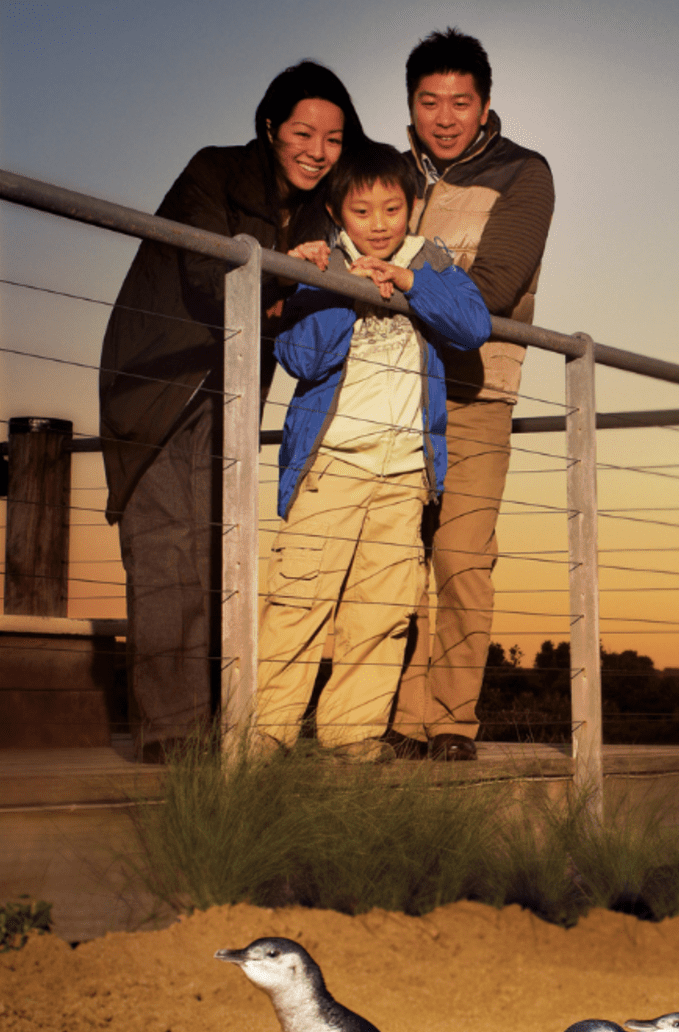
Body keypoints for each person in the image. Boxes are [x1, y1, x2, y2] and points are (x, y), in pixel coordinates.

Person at [98, 61, 364, 763]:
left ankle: (216, 725)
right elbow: (208, 277)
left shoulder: (318, 209)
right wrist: (285, 268)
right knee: (164, 546)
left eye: (334, 138)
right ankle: (170, 736)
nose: (317, 149)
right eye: (303, 131)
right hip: (158, 379)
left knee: (220, 549)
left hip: (233, 388)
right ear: (271, 126)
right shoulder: (212, 171)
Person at [251, 141, 492, 761]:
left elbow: (472, 326)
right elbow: (300, 357)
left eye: (392, 208)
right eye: (363, 212)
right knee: (300, 598)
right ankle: (267, 734)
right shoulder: (323, 263)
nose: (379, 224)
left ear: (413, 207)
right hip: (333, 464)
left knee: (381, 610)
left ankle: (350, 735)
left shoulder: (430, 261)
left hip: (407, 470)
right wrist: (335, 285)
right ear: (338, 214)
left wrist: (408, 282)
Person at [387, 28, 556, 762]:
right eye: (430, 101)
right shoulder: (386, 171)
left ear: (485, 105)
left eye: (461, 101)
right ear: (412, 105)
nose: (446, 116)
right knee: (390, 560)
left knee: (459, 556)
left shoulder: (524, 173)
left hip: (475, 390)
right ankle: (393, 718)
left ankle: (451, 719)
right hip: (388, 389)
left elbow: (489, 290)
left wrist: (395, 266)